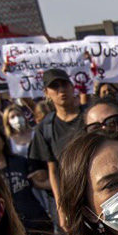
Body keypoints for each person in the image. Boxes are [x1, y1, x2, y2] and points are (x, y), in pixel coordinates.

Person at [28, 69, 84, 214]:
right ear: (46, 93)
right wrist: (61, 208)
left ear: (72, 87)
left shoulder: (90, 116)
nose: (61, 90)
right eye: (55, 86)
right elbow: (53, 170)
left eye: (64, 84)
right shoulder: (45, 128)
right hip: (72, 198)